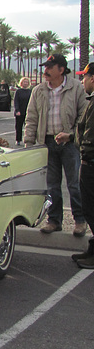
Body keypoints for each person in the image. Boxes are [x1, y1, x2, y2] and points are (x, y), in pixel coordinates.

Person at [23, 54, 88, 237]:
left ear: (61, 69)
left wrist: (71, 135)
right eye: (45, 67)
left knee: (74, 184)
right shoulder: (39, 90)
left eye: (50, 67)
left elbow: (83, 116)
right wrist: (29, 143)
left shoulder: (76, 88)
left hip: (69, 143)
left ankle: (80, 220)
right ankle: (54, 220)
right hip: (48, 143)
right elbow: (32, 118)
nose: (46, 71)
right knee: (52, 185)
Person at [72, 62, 94, 268]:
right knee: (89, 208)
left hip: (91, 163)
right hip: (88, 161)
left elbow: (89, 136)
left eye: (85, 77)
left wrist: (84, 152)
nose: (82, 81)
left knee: (91, 208)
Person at [14, 77, 32, 146]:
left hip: (27, 112)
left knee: (28, 127)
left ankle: (28, 140)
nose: (25, 83)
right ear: (21, 83)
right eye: (24, 82)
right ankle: (18, 140)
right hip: (19, 112)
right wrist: (17, 110)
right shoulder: (18, 91)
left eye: (27, 82)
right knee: (18, 126)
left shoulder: (30, 92)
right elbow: (16, 101)